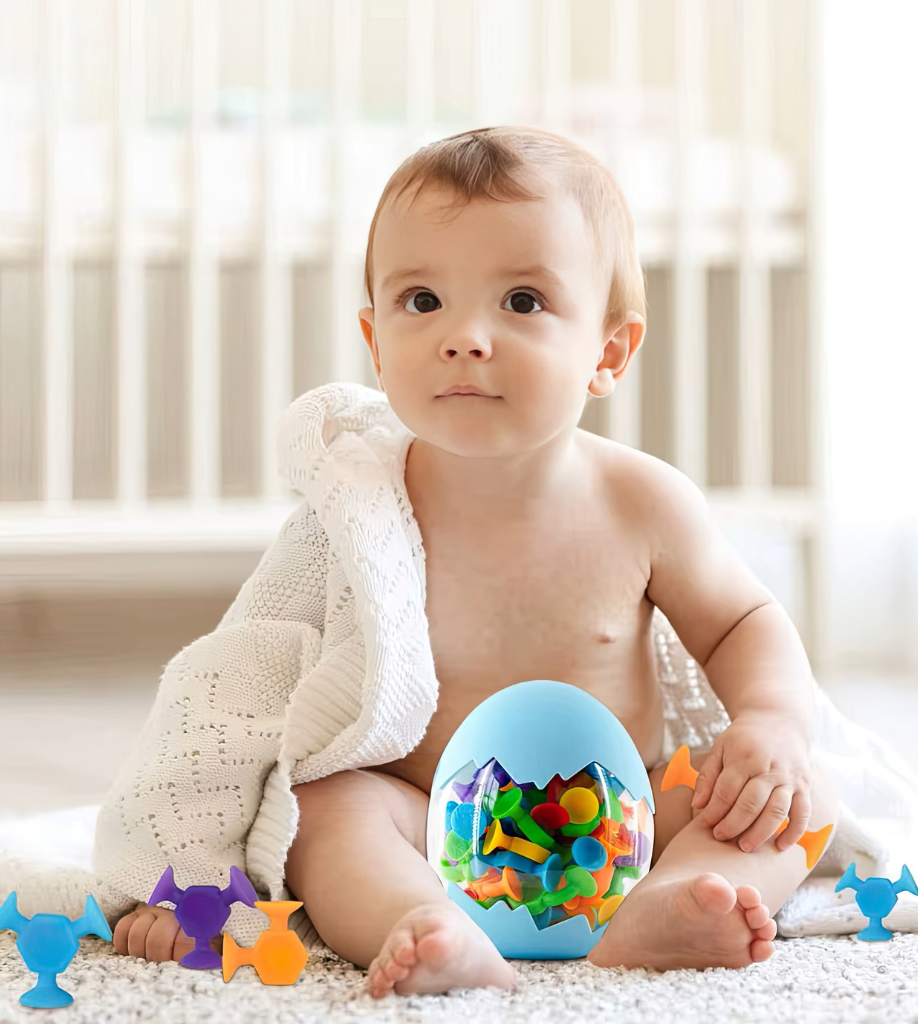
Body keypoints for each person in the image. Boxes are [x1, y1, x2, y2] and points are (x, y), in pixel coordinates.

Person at [105, 126, 840, 996]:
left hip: (628, 817)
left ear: (608, 352)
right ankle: (424, 922)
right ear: (376, 346)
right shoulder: (358, 511)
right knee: (328, 812)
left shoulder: (644, 503)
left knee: (802, 801)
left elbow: (742, 622)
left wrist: (770, 722)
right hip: (431, 826)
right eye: (423, 302)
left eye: (522, 302)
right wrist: (185, 869)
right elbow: (235, 695)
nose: (465, 337)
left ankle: (681, 899)